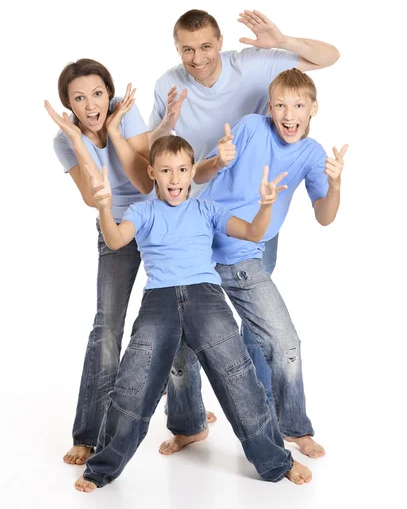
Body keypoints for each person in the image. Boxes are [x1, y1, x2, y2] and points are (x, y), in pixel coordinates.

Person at [74, 135, 313, 492]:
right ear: (152, 172)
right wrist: (104, 207)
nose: (175, 179)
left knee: (239, 379)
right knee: (132, 385)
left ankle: (277, 461)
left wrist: (265, 206)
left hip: (206, 298)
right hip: (159, 302)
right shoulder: (142, 211)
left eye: (183, 170)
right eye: (166, 171)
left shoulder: (207, 208)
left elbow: (251, 232)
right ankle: (102, 469)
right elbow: (116, 240)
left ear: (191, 172)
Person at [161, 68, 347, 459]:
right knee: (177, 346)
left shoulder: (312, 155)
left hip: (246, 256)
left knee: (285, 342)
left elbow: (325, 217)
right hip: (198, 250)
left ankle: (293, 425)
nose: (288, 113)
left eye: (298, 105)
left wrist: (335, 185)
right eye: (280, 104)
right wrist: (218, 159)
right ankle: (189, 425)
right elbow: (198, 174)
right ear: (270, 106)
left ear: (314, 108)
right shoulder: (249, 127)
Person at [148, 8, 340, 276]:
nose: (198, 58)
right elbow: (152, 150)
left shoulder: (251, 66)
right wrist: (167, 124)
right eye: (187, 50)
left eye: (206, 46)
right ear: (177, 49)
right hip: (203, 204)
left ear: (220, 42)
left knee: (255, 305)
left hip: (258, 212)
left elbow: (330, 56)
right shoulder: (168, 84)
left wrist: (282, 41)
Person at [46, 58, 153, 466]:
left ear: (110, 93)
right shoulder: (63, 140)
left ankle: (186, 414)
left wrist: (112, 129)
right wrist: (78, 139)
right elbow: (94, 198)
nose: (91, 105)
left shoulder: (125, 110)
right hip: (114, 228)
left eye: (97, 94)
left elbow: (146, 182)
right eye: (79, 99)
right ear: (69, 106)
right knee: (107, 326)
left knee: (178, 316)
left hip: (159, 221)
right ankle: (88, 433)